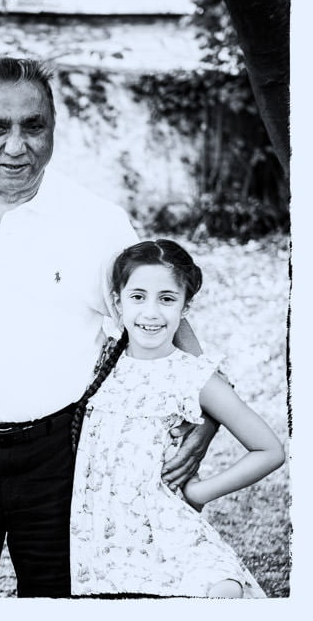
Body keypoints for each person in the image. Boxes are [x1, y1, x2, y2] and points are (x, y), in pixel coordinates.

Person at [0, 57, 215, 597]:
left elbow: (162, 313)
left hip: (63, 456)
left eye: (33, 126)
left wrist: (202, 415)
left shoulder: (97, 220)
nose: (15, 146)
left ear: (53, 128)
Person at [70, 239, 285, 597]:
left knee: (222, 592)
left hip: (169, 534)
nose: (151, 312)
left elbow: (269, 450)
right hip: (101, 546)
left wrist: (200, 491)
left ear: (185, 307)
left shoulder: (195, 377)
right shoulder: (101, 364)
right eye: (138, 297)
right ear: (117, 301)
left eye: (167, 299)